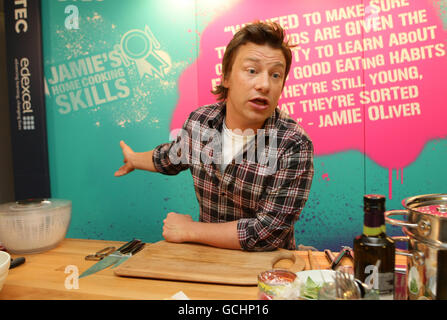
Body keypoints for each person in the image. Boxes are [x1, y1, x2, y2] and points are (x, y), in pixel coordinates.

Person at [115, 21, 314, 251]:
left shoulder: (293, 144)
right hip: (207, 262)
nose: (264, 84)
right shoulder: (201, 123)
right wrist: (133, 159)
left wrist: (189, 230)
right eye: (252, 71)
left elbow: (266, 234)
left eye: (276, 75)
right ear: (226, 78)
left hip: (265, 273)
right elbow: (170, 157)